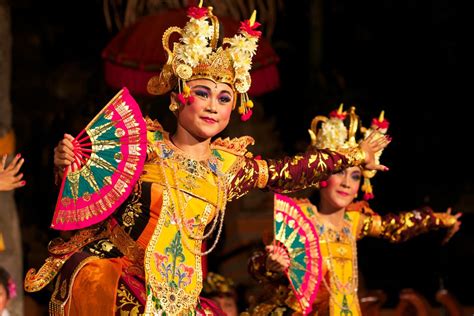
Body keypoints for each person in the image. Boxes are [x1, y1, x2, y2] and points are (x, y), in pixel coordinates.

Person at [23, 4, 390, 315]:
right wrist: (65, 163)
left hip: (184, 297)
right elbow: (87, 186)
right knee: (91, 278)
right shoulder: (142, 143)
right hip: (122, 283)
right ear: (180, 95)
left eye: (225, 97)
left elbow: (288, 171)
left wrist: (355, 155)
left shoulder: (229, 167)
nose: (214, 106)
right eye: (203, 93)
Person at [246, 106, 462, 316]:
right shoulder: (300, 219)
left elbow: (397, 225)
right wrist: (269, 264)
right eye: (340, 173)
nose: (347, 184)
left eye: (355, 176)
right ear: (324, 176)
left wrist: (441, 219)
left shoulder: (355, 221)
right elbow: (257, 265)